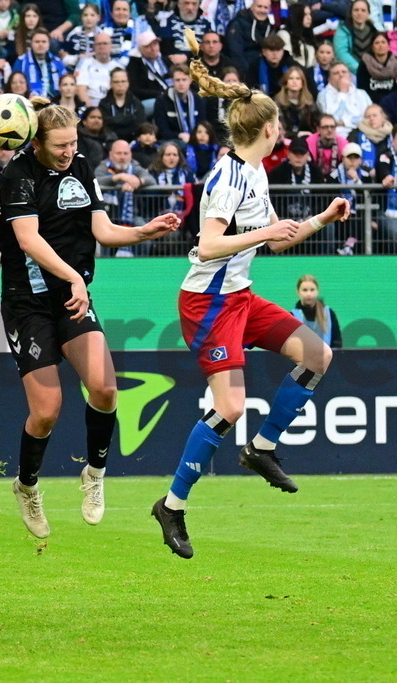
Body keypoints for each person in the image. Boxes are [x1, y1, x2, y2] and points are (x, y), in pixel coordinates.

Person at [151, 36, 350, 560]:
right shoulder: (227, 178)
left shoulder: (257, 171)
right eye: (279, 124)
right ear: (268, 128)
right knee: (230, 405)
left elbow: (276, 235)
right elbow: (208, 244)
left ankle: (261, 449)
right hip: (208, 304)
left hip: (239, 295)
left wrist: (320, 219)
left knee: (318, 355)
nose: (280, 130)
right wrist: (261, 235)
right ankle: (172, 505)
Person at [0, 99, 179, 540]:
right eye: (59, 144)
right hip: (27, 302)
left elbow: (102, 229)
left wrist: (143, 232)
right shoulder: (16, 173)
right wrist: (75, 276)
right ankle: (27, 484)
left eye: (73, 142)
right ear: (36, 140)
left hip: (70, 295)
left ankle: (94, 473)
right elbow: (28, 239)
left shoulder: (80, 164)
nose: (68, 150)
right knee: (47, 410)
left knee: (106, 388)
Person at [95, 139, 158, 256]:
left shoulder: (134, 165)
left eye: (125, 153)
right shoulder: (104, 165)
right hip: (107, 216)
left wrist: (138, 181)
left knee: (146, 237)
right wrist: (118, 177)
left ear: (130, 155)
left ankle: (140, 266)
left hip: (131, 215)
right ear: (111, 154)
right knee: (104, 239)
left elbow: (151, 180)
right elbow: (96, 180)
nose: (122, 157)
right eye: (118, 153)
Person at [315, 60, 374, 140]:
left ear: (350, 76)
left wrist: (344, 122)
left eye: (344, 72)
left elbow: (370, 119)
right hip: (337, 137)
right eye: (336, 73)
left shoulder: (362, 94)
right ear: (329, 79)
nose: (341, 75)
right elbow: (331, 120)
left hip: (364, 135)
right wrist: (342, 93)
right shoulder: (323, 95)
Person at [154, 65, 208, 143]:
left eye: (184, 79)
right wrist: (179, 135)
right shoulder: (162, 101)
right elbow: (162, 132)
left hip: (196, 139)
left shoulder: (198, 99)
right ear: (172, 81)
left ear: (190, 81)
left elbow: (203, 125)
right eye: (177, 80)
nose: (181, 83)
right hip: (173, 141)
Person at [292, 274, 343, 347]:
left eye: (312, 290)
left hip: (327, 357)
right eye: (304, 290)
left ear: (317, 291)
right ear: (297, 292)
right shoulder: (292, 316)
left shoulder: (329, 313)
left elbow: (337, 342)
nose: (308, 294)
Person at [224, 0, 272, 75]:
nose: (262, 10)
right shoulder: (238, 23)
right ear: (251, 7)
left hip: (263, 71)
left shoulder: (270, 27)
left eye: (265, 7)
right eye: (259, 6)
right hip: (243, 71)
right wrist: (247, 72)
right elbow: (235, 53)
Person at [99, 68, 145, 141]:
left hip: (133, 140)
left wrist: (115, 121)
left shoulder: (136, 103)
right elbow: (105, 124)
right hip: (111, 141)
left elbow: (140, 125)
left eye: (123, 81)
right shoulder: (103, 104)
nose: (120, 85)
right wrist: (129, 118)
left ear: (128, 83)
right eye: (116, 82)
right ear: (110, 84)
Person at [274, 67, 319, 140]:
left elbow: (316, 125)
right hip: (284, 140)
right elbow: (278, 128)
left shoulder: (309, 103)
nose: (294, 81)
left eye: (298, 79)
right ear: (285, 83)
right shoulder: (277, 102)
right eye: (291, 78)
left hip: (307, 140)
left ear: (302, 83)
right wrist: (297, 135)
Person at [334, 0, 378, 73]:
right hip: (350, 71)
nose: (359, 13)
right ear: (351, 13)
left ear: (368, 13)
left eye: (363, 10)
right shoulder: (343, 29)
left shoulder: (373, 29)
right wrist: (360, 71)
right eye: (356, 10)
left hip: (372, 70)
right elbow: (341, 53)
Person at [357, 32, 397, 104]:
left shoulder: (395, 62)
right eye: (377, 43)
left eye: (383, 42)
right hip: (371, 102)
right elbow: (362, 89)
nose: (380, 45)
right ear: (372, 47)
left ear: (388, 46)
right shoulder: (365, 63)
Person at [278, 2, 316, 68]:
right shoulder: (284, 34)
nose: (309, 18)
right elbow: (287, 60)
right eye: (305, 15)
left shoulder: (308, 36)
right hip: (293, 75)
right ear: (296, 16)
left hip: (308, 75)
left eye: (310, 14)